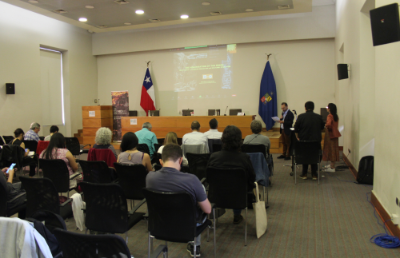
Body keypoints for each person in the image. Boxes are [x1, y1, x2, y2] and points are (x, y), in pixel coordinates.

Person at [146, 144, 211, 257]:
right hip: (187, 228)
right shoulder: (192, 180)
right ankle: (195, 246)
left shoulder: (150, 177)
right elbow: (208, 210)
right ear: (181, 160)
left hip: (159, 226)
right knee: (199, 194)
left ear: (161, 161)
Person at [207, 125, 256, 224]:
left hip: (217, 196)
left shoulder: (213, 157)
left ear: (223, 139)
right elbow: (252, 178)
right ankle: (237, 215)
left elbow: (208, 177)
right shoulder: (244, 158)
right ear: (239, 140)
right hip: (239, 198)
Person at [294, 101, 325, 180]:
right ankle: (314, 174)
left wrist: (298, 136)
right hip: (316, 141)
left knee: (305, 156)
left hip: (304, 141)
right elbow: (322, 127)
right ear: (313, 108)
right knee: (314, 155)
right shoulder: (319, 117)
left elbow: (296, 128)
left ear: (305, 108)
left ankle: (304, 174)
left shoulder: (301, 116)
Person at [322, 103, 341, 172]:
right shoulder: (335, 116)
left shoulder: (329, 116)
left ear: (330, 108)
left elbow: (329, 124)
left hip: (330, 134)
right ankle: (332, 165)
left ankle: (332, 167)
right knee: (334, 149)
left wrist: (326, 126)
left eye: (327, 107)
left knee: (330, 149)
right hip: (335, 134)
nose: (326, 108)